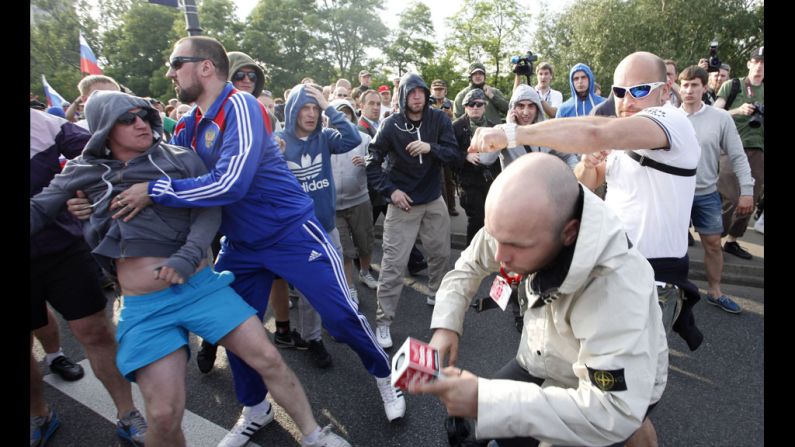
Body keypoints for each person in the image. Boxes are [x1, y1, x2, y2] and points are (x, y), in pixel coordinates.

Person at [98, 36, 404, 445]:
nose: (170, 72)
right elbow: (154, 167)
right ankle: (256, 408)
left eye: (176, 63)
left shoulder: (240, 105)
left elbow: (230, 183)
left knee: (341, 317)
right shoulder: (188, 124)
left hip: (292, 233)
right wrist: (94, 198)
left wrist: (155, 191)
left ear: (205, 67)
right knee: (234, 327)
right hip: (241, 245)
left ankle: (385, 375)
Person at [470, 51, 704, 445]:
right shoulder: (623, 134)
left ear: (665, 92)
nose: (627, 100)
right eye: (618, 91)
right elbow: (584, 183)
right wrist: (591, 165)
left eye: (640, 90)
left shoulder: (672, 121)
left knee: (628, 406)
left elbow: (596, 132)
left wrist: (512, 134)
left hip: (653, 281)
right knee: (591, 385)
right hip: (604, 273)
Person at [411, 153, 668, 447]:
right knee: (493, 423)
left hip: (605, 386)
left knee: (628, 422)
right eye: (496, 236)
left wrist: (488, 400)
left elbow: (612, 410)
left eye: (517, 247)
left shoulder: (615, 287)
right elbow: (469, 264)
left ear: (568, 232)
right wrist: (446, 324)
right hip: (541, 357)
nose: (500, 258)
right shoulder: (522, 224)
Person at [30, 107, 148, 446]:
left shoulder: (50, 126)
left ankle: (127, 414)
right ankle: (39, 414)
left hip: (62, 251)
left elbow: (113, 152)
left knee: (94, 332)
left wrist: (86, 194)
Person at [366, 72, 460, 348]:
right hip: (402, 202)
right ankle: (383, 323)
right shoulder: (391, 124)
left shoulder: (439, 119)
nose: (417, 96)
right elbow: (373, 162)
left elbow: (455, 154)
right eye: (412, 92)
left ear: (427, 94)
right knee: (393, 266)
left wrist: (431, 147)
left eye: (421, 91)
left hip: (432, 199)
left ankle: (436, 293)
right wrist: (391, 192)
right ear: (404, 95)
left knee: (441, 254)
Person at [679, 65, 753, 314]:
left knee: (712, 244)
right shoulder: (671, 117)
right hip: (674, 194)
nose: (688, 90)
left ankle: (715, 291)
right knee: (671, 245)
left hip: (707, 193)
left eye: (694, 85)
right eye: (685, 85)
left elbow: (738, 156)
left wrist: (747, 191)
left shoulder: (720, 118)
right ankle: (671, 290)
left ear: (703, 87)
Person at [714, 46, 764, 260]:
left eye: (763, 62)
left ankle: (732, 241)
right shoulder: (733, 85)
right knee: (730, 197)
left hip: (758, 151)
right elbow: (715, 113)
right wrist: (738, 110)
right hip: (731, 148)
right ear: (749, 63)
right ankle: (715, 236)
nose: (760, 66)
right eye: (757, 61)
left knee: (749, 199)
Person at [479, 84, 579, 170]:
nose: (526, 112)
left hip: (543, 189)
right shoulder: (501, 131)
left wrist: (576, 175)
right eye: (521, 106)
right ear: (513, 108)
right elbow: (485, 159)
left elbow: (568, 155)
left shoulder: (545, 131)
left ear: (537, 109)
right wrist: (509, 129)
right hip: (515, 191)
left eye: (531, 106)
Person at [450, 88, 500, 244]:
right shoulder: (456, 127)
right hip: (468, 182)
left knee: (490, 219)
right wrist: (465, 156)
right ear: (465, 106)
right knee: (476, 219)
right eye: (471, 104)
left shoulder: (494, 127)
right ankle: (470, 256)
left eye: (479, 104)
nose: (475, 107)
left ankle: (485, 254)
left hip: (490, 181)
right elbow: (447, 153)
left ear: (484, 106)